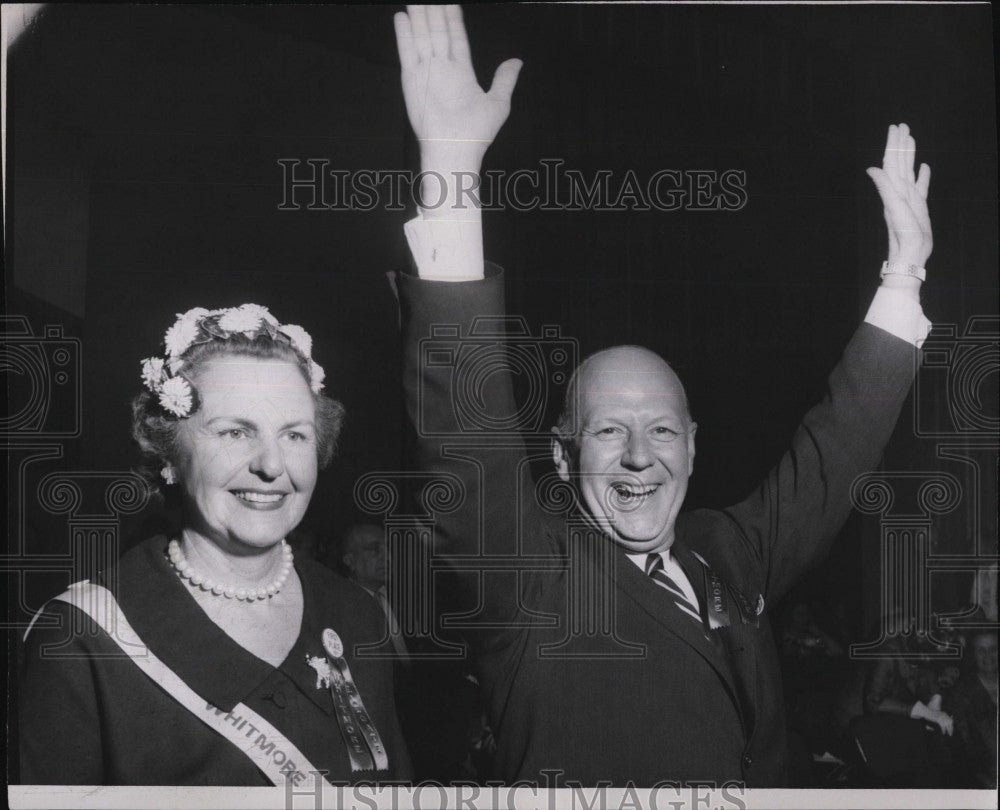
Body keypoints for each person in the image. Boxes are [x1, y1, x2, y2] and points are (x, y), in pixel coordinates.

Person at [393, 5, 934, 785]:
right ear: (562, 452)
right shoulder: (529, 575)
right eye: (610, 432)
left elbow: (836, 452)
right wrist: (449, 160)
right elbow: (460, 436)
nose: (641, 457)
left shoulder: (727, 550)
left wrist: (904, 276)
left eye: (663, 432)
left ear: (693, 444)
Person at [19, 305, 411, 785]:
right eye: (235, 432)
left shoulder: (356, 615)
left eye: (294, 434)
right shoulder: (82, 638)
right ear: (169, 457)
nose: (271, 465)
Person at [949, 630, 998, 787]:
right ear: (973, 654)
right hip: (985, 781)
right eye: (980, 650)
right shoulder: (962, 693)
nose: (987, 655)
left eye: (993, 649)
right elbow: (964, 749)